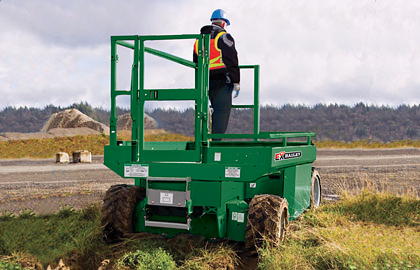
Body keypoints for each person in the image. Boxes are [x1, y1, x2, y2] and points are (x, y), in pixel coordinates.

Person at [193, 9, 240, 140]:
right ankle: (216, 144)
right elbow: (232, 60)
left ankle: (202, 140)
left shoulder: (199, 40)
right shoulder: (224, 37)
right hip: (222, 81)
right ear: (224, 23)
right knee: (221, 111)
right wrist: (236, 81)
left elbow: (195, 62)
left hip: (205, 81)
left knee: (203, 111)